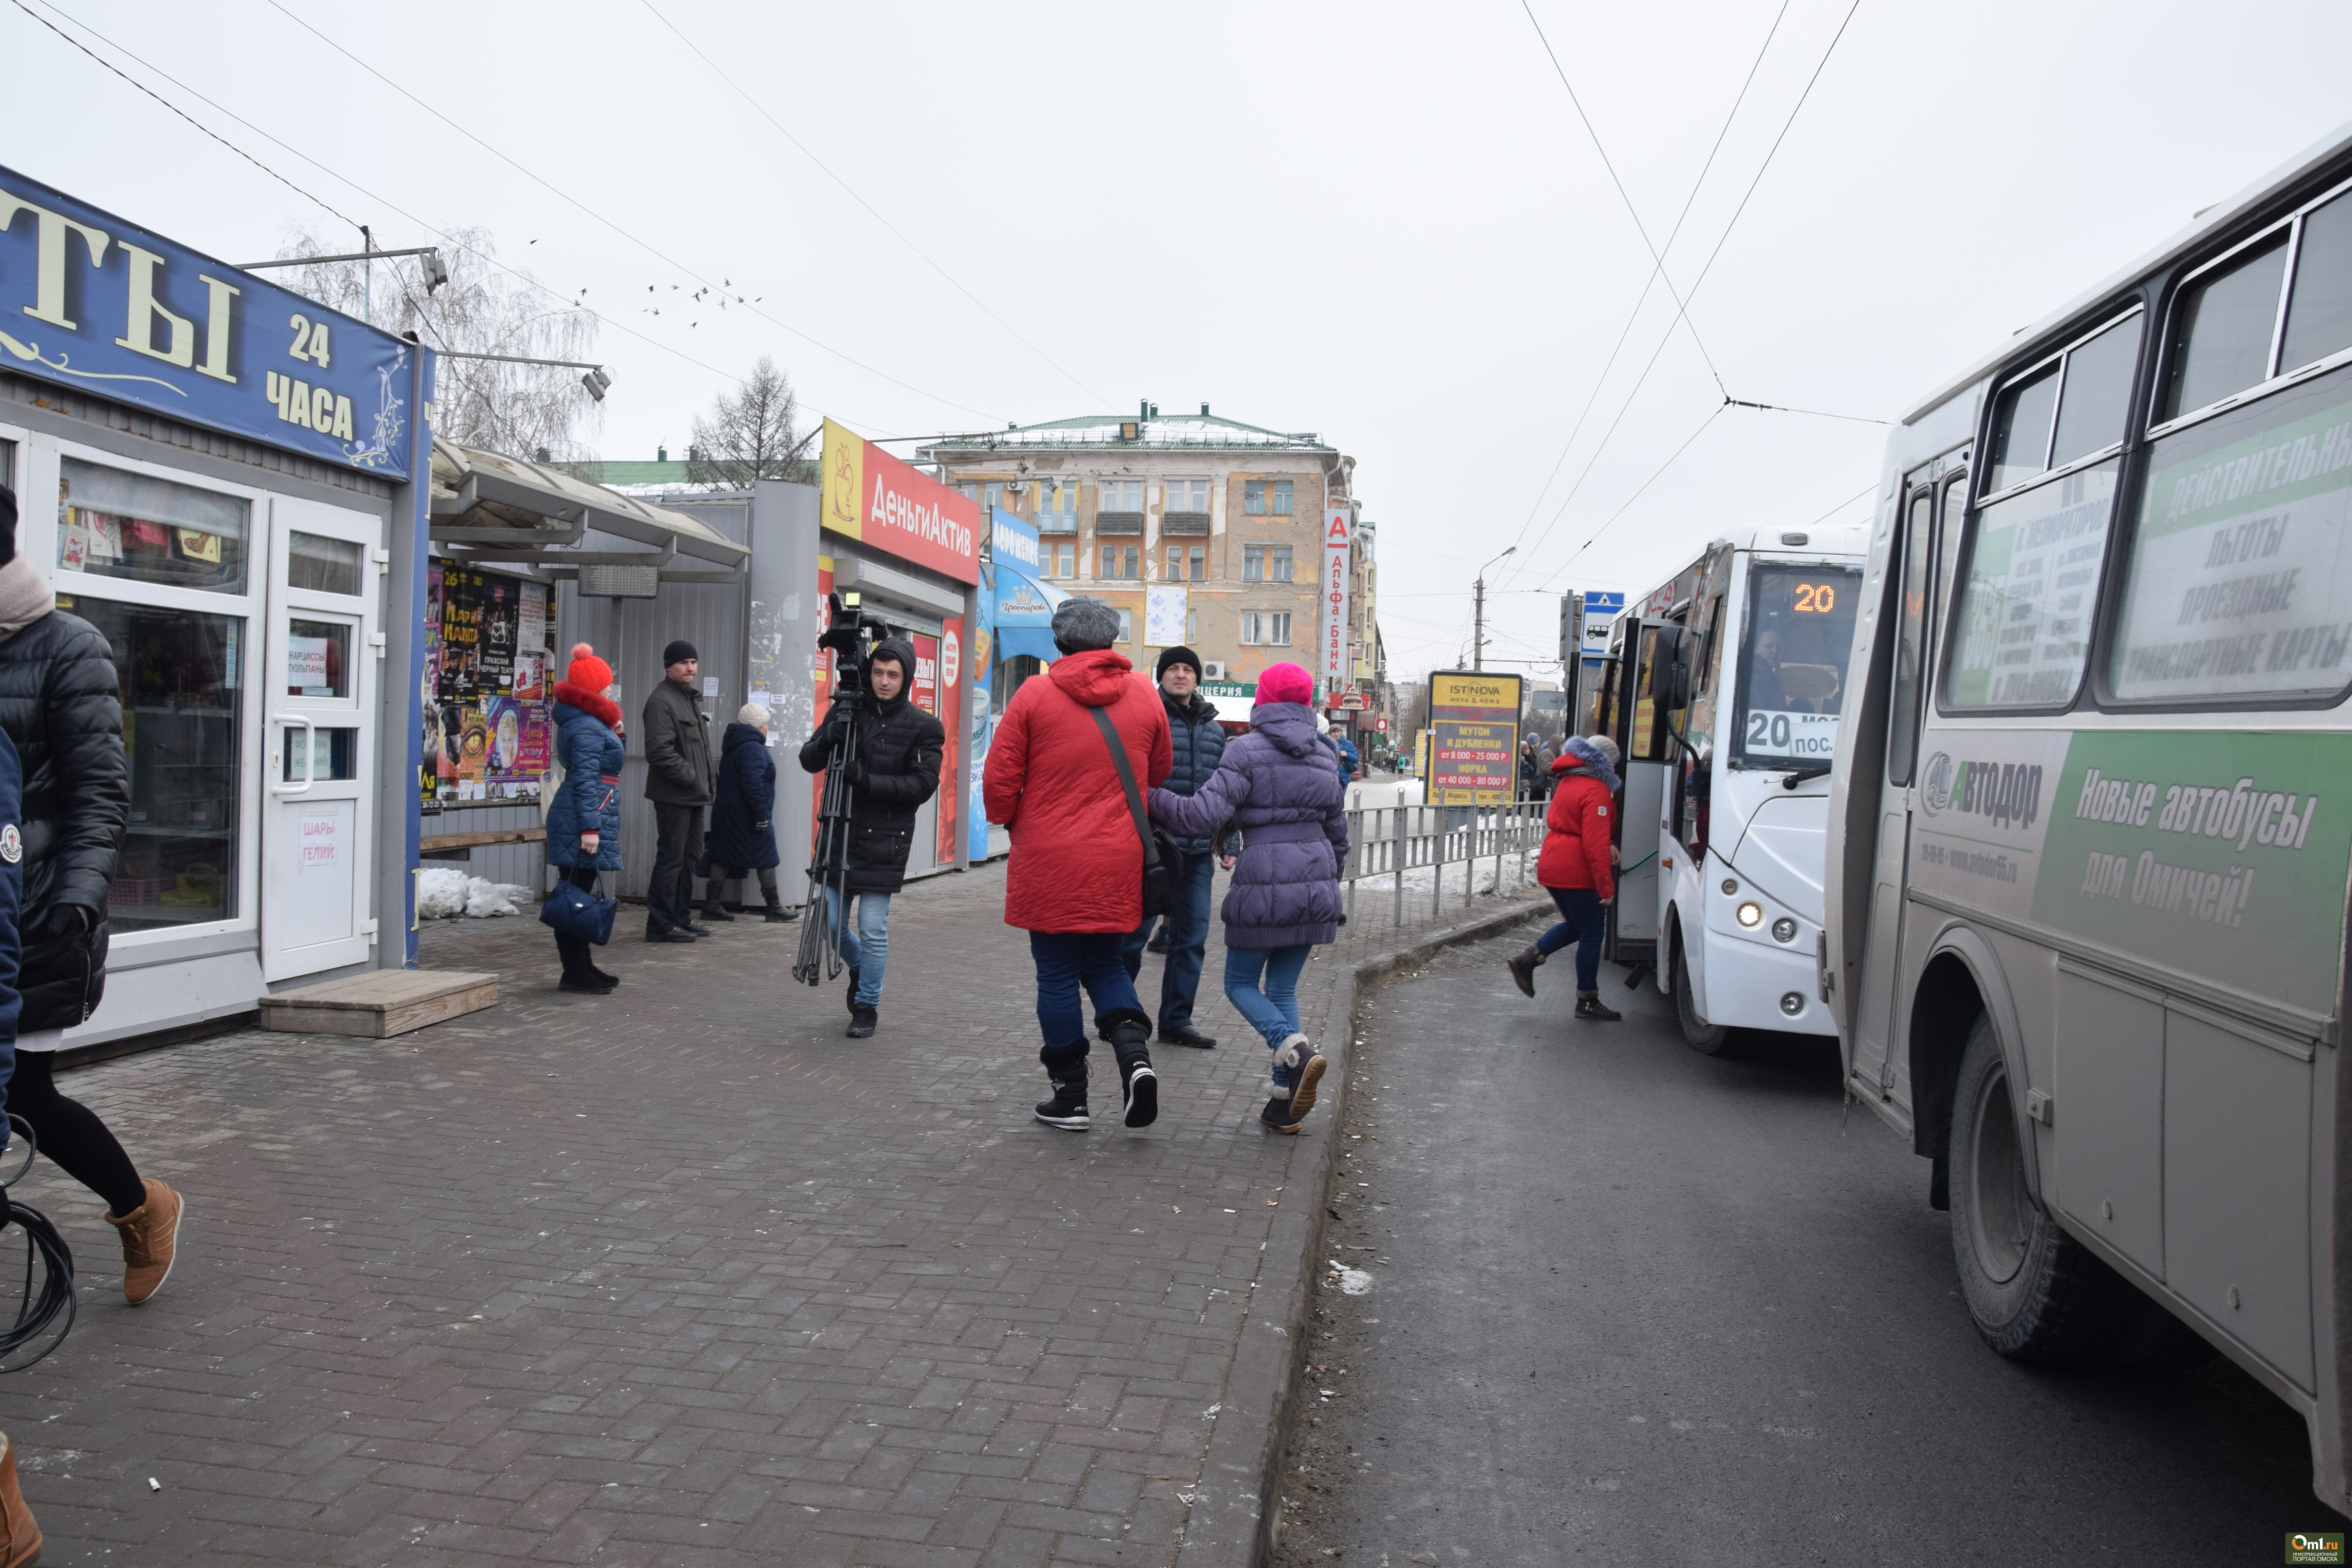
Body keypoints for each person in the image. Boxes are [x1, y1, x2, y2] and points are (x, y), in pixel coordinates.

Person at [0, 485, 176, 1305]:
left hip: (35, 914)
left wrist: (75, 901)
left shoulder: (71, 646)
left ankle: (143, 1206)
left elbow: (100, 792)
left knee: (22, 1094)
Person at [984, 599, 1171, 1132]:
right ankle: (1136, 1062)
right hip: (1119, 857)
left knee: (1059, 974)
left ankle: (1071, 1098)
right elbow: (1160, 768)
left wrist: (1014, 820)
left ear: (1059, 642)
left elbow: (998, 781)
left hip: (1049, 859)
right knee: (1108, 965)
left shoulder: (1035, 694)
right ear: (1111, 641)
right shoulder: (1142, 694)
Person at [1150, 662, 1348, 1134]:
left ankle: (1294, 1050)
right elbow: (1339, 834)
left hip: (1264, 879)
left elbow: (1200, 816)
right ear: (1305, 704)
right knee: (1281, 989)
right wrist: (1327, 884)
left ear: (1263, 699)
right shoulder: (1326, 753)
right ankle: (1285, 1101)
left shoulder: (1247, 750)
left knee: (1239, 984)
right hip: (1316, 882)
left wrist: (1149, 795)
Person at [798, 637, 942, 1039]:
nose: (884, 680)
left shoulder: (925, 726)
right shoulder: (847, 711)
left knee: (873, 925)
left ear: (906, 678)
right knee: (828, 922)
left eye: (893, 674)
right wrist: (830, 736)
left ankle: (866, 1004)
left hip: (886, 839)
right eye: (878, 672)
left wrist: (868, 780)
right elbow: (809, 758)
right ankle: (861, 967)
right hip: (839, 831)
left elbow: (922, 785)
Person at [1120, 646, 1227, 1050]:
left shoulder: (1216, 731)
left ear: (1198, 679)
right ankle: (1120, 1014)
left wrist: (1228, 841)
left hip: (1198, 853)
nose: (1180, 675)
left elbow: (1226, 793)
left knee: (1192, 938)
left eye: (1188, 669)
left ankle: (1176, 1021)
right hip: (1151, 848)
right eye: (1173, 669)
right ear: (1161, 676)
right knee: (1132, 937)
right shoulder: (1146, 718)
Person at [1508, 733, 1624, 1021]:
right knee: (1593, 933)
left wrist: (1606, 844)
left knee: (1577, 925)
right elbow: (1593, 845)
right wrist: (1606, 887)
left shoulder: (1570, 781)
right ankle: (1587, 1000)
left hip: (1554, 863)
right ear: (1606, 763)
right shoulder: (1597, 791)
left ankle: (1529, 959)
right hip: (1577, 871)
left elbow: (1576, 824)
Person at [546, 643, 624, 994]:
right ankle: (574, 972)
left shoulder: (589, 723)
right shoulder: (588, 727)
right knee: (574, 898)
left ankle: (583, 967)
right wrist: (591, 827)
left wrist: (616, 734)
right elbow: (586, 780)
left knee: (579, 894)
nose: (611, 688)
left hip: (585, 812)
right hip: (582, 818)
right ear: (596, 688)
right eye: (607, 683)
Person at [641, 639, 718, 943]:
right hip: (675, 796)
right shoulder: (662, 701)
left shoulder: (687, 699)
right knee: (672, 859)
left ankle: (680, 918)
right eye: (685, 662)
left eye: (694, 662)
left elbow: (698, 749)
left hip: (693, 795)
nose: (691, 668)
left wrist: (708, 779)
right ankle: (660, 924)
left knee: (690, 858)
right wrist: (693, 778)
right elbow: (660, 752)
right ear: (669, 666)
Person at [700, 703, 796, 925]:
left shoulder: (734, 744)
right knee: (767, 857)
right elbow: (753, 785)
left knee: (723, 855)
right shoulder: (753, 748)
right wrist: (761, 816)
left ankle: (712, 905)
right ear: (758, 727)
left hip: (727, 812)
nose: (766, 729)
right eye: (765, 725)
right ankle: (773, 907)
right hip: (747, 814)